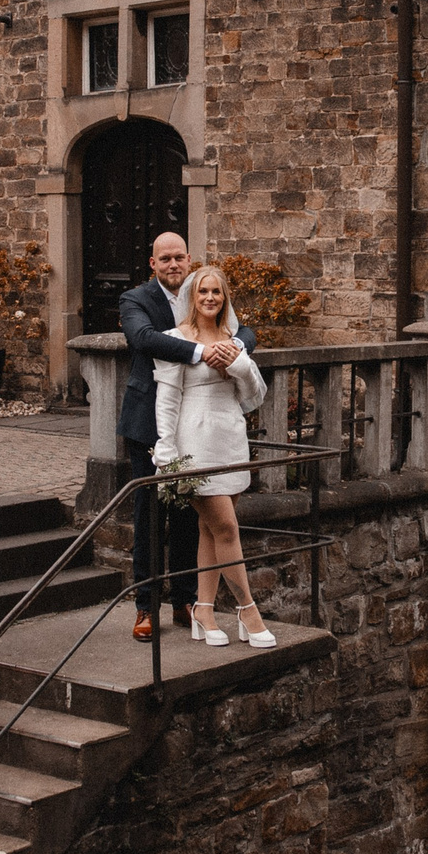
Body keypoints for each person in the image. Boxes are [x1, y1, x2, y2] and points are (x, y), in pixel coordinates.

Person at [118, 232, 253, 641]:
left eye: (179, 257)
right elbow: (142, 339)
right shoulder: (136, 300)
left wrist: (233, 346)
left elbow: (244, 329)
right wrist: (199, 352)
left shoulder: (201, 291)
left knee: (190, 520)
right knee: (149, 516)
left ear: (189, 260)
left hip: (196, 432)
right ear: (153, 263)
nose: (173, 264)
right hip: (149, 425)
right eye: (165, 259)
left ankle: (185, 599)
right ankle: (145, 605)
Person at [153, 265, 274, 648]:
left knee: (210, 531)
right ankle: (248, 610)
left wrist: (237, 362)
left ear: (224, 298)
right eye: (203, 291)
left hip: (230, 437)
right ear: (193, 296)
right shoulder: (176, 340)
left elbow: (255, 395)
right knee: (227, 528)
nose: (209, 298)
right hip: (194, 441)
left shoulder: (233, 339)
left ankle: (203, 609)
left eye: (217, 293)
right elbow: (167, 402)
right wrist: (167, 454)